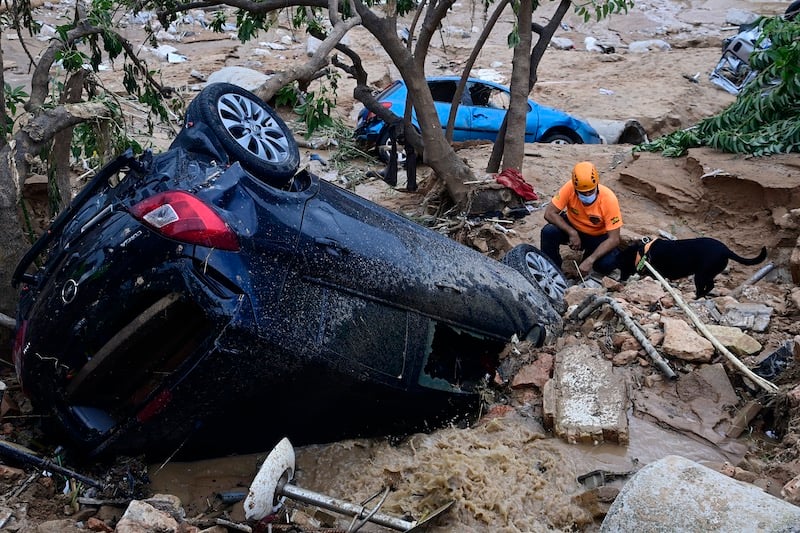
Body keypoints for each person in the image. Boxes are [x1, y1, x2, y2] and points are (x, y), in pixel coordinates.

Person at [540, 161, 622, 278]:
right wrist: (571, 232)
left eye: (591, 191)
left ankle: (589, 260)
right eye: (583, 193)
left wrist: (590, 260)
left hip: (597, 235)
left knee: (606, 264)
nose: (587, 195)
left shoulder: (609, 199)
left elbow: (614, 239)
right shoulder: (569, 187)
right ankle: (552, 268)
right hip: (573, 225)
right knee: (549, 232)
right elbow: (549, 213)